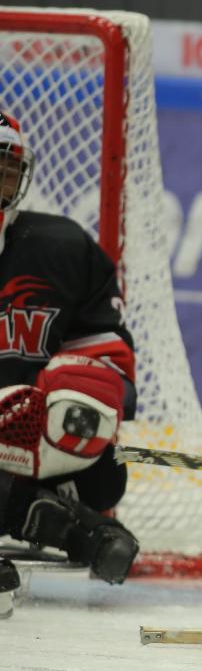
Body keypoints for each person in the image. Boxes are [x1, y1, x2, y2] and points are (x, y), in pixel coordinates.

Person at [0, 111, 140, 584]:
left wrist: (78, 396)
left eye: (6, 170)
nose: (0, 180)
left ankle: (51, 513)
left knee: (105, 475)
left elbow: (113, 373)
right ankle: (63, 525)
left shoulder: (61, 249)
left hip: (35, 445)